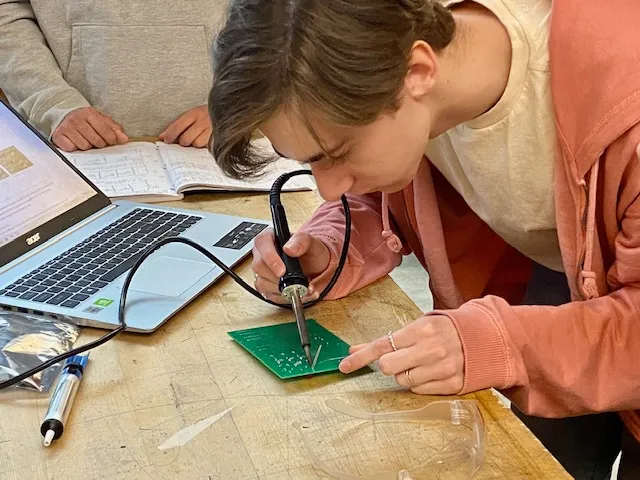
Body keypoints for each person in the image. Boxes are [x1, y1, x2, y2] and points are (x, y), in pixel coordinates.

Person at [207, 0, 640, 478]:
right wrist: (329, 248)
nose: (325, 189)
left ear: (418, 70)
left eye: (336, 154)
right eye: (307, 161)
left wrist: (503, 341)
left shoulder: (626, 107)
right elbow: (386, 195)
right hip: (565, 277)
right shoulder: (391, 53)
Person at [0, 0, 227, 151]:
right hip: (78, 150)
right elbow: (6, 10)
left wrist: (237, 104)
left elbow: (261, 15)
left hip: (222, 150)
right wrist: (51, 100)